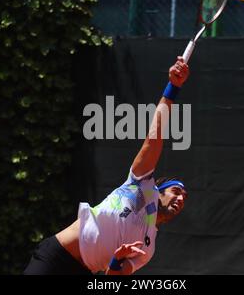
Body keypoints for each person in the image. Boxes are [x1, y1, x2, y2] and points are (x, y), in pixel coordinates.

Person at [24, 57, 190, 275]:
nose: (180, 199)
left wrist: (116, 261)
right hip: (56, 257)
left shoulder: (148, 249)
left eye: (184, 198)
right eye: (176, 191)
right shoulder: (141, 185)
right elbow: (154, 136)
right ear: (159, 189)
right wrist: (173, 88)